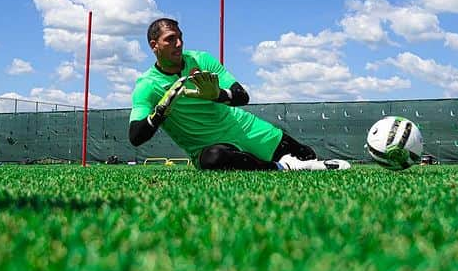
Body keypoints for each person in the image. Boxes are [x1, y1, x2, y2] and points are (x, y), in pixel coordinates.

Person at [128, 18, 350, 171]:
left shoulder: (200, 60)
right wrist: (159, 112)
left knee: (308, 156)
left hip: (244, 128)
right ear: (154, 45)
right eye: (170, 39)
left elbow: (241, 95)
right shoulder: (147, 86)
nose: (179, 43)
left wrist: (217, 95)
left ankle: (291, 162)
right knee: (214, 159)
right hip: (211, 148)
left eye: (180, 37)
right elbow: (135, 137)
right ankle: (279, 168)